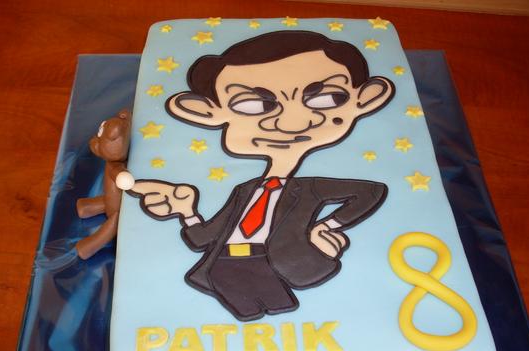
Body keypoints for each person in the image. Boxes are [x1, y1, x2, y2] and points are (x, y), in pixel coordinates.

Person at [128, 31, 395, 321]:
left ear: (365, 98)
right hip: (223, 268)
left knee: (281, 315)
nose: (292, 123)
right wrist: (186, 211)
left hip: (273, 266)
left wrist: (326, 226)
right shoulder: (244, 190)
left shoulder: (310, 188)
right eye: (252, 105)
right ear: (207, 112)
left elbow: (370, 193)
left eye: (325, 98)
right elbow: (203, 239)